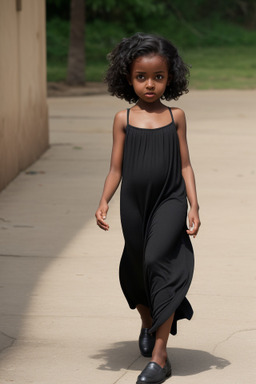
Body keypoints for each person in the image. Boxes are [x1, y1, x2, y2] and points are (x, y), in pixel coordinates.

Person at [95, 32, 200, 384]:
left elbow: (185, 165)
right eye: (142, 77)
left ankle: (160, 356)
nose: (150, 85)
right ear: (129, 78)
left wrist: (194, 205)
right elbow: (116, 169)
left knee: (159, 261)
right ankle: (148, 321)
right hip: (135, 205)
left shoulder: (177, 117)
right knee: (137, 267)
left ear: (170, 78)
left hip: (170, 199)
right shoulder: (123, 119)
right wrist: (104, 200)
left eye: (159, 77)